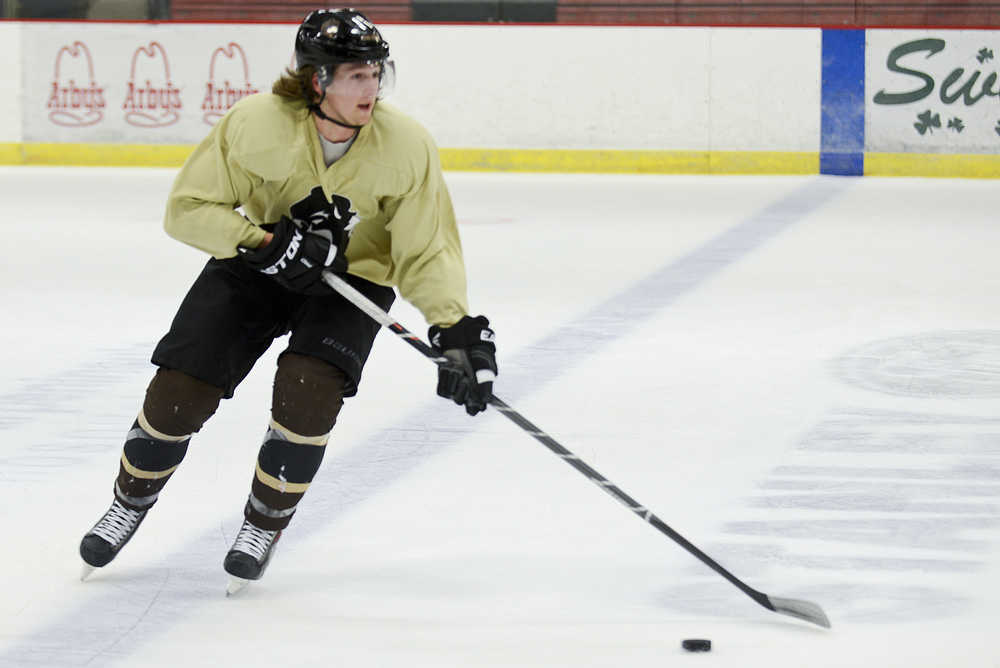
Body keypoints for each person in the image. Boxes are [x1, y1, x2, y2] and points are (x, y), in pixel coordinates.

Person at [79, 8, 498, 592]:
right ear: (315, 80)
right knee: (180, 388)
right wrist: (263, 242)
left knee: (308, 392)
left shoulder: (406, 146)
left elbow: (426, 250)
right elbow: (188, 209)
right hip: (257, 266)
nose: (371, 87)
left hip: (352, 283)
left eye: (377, 73)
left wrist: (454, 327)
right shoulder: (255, 124)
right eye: (355, 75)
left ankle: (262, 524)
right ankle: (129, 501)